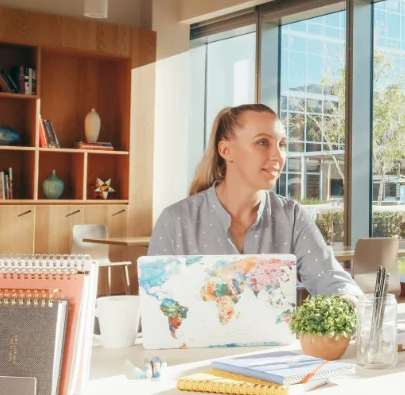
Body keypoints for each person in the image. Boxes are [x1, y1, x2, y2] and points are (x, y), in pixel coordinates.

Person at [148, 104, 360, 301]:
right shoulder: (175, 221)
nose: (278, 155)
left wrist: (347, 302)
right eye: (262, 142)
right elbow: (156, 303)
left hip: (276, 343)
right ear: (225, 150)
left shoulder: (292, 217)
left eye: (282, 144)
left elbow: (333, 282)